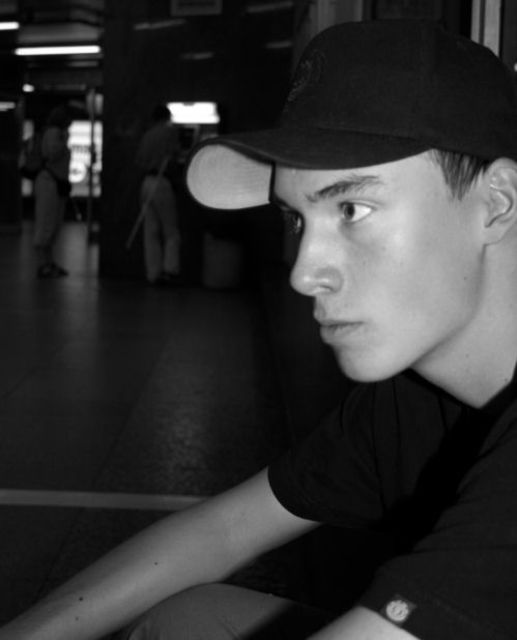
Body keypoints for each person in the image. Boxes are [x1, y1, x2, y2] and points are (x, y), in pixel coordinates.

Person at [3, 18, 517, 640]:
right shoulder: (411, 403)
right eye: (297, 220)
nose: (303, 273)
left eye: (352, 208)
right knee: (189, 621)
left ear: (496, 202)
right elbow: (225, 531)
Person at [135, 104, 182, 285]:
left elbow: (139, 161)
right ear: (167, 116)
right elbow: (177, 155)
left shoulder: (147, 135)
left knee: (150, 231)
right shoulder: (170, 132)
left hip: (146, 182)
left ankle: (153, 273)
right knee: (171, 230)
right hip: (162, 181)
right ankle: (170, 270)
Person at [33, 105, 72, 278]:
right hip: (49, 182)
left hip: (56, 183)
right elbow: (52, 154)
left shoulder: (56, 133)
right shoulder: (54, 133)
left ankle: (49, 262)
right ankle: (42, 263)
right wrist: (63, 141)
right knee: (47, 222)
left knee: (54, 223)